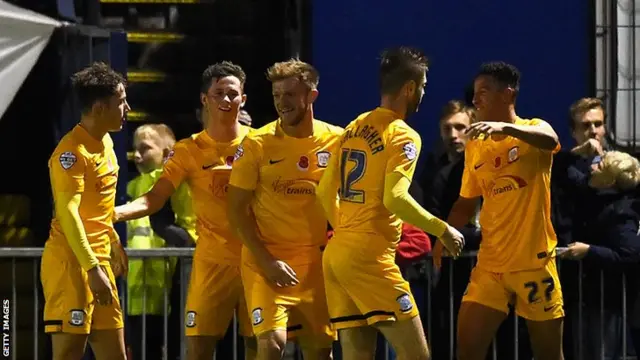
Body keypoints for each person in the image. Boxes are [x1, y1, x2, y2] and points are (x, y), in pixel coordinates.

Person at [316, 46, 464, 360]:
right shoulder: (403, 135)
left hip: (338, 254)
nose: (424, 92)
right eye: (423, 85)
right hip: (371, 259)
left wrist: (345, 229)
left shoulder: (354, 126)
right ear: (410, 88)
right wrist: (443, 230)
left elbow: (324, 190)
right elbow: (395, 198)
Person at [114, 61, 256, 360]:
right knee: (197, 348)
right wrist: (112, 213)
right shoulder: (188, 151)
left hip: (255, 261)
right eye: (219, 93)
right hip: (210, 265)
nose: (226, 100)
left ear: (243, 98)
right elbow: (153, 200)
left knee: (260, 348)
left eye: (233, 93)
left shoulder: (262, 144)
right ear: (205, 99)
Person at [440, 61, 564, 360]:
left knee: (548, 354)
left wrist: (507, 127)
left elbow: (552, 141)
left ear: (507, 95)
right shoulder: (475, 147)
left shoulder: (534, 129)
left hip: (534, 264)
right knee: (468, 350)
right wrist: (441, 233)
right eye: (475, 93)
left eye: (484, 91)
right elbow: (466, 201)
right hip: (491, 266)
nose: (475, 99)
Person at [227, 59, 342, 360]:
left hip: (314, 264)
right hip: (266, 261)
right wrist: (266, 262)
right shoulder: (256, 143)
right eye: (277, 96)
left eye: (289, 95)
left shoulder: (337, 141)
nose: (282, 103)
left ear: (311, 96)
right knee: (272, 344)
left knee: (320, 349)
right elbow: (237, 209)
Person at [41, 62, 130, 360]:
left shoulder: (106, 142)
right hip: (72, 264)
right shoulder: (71, 153)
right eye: (121, 102)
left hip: (99, 260)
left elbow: (97, 206)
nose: (127, 108)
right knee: (67, 354)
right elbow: (68, 212)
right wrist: (91, 268)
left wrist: (113, 240)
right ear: (99, 107)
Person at [125, 124, 196, 360]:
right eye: (135, 149)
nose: (136, 155)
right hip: (137, 289)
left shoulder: (172, 181)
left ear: (167, 153)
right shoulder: (133, 186)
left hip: (167, 286)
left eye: (145, 149)